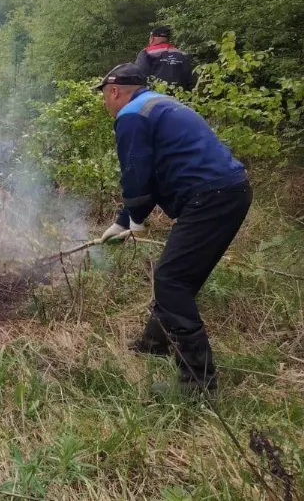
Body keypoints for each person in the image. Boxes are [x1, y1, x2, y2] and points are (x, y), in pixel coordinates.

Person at [96, 63, 251, 394]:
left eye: (104, 97)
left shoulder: (132, 116)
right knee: (178, 275)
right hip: (228, 191)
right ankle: (155, 343)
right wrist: (123, 220)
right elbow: (154, 174)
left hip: (211, 197)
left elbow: (136, 173)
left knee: (171, 279)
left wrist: (136, 221)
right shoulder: (157, 104)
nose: (104, 105)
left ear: (114, 91)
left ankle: (197, 384)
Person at [134, 25, 196, 91]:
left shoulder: (147, 53)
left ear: (152, 38)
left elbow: (138, 76)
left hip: (155, 97)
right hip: (180, 97)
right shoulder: (182, 54)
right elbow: (190, 80)